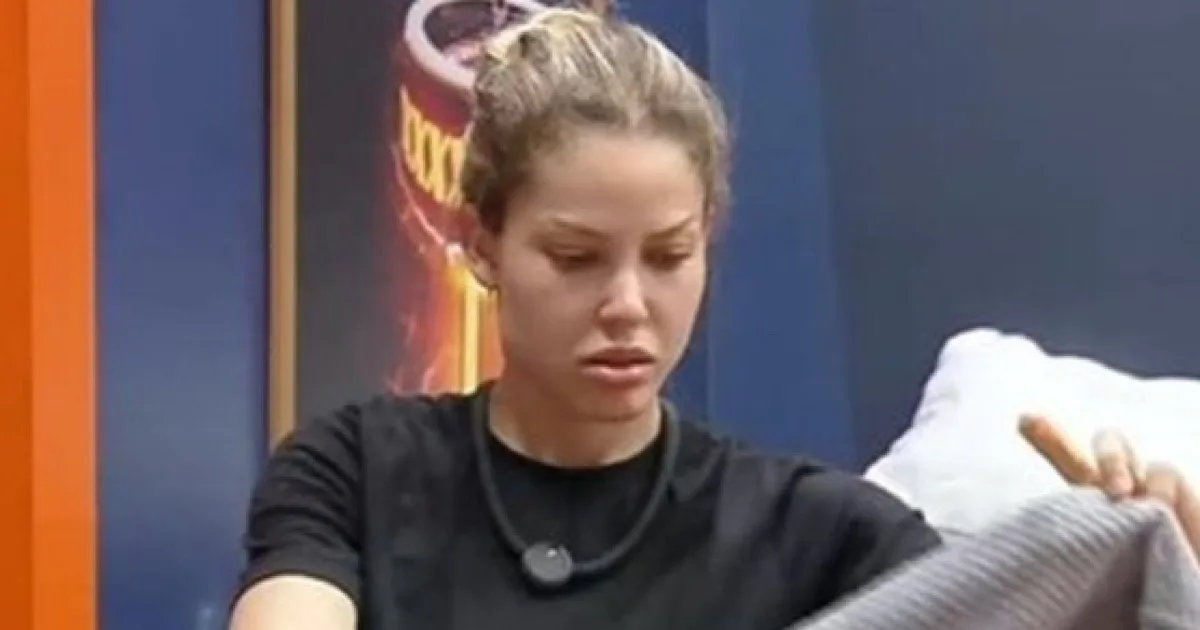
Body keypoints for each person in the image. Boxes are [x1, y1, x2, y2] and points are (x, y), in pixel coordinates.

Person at [228, 7, 1200, 630]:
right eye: (574, 258)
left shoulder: (825, 536)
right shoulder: (355, 471)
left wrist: (1136, 582)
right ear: (483, 243)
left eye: (668, 256)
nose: (627, 305)